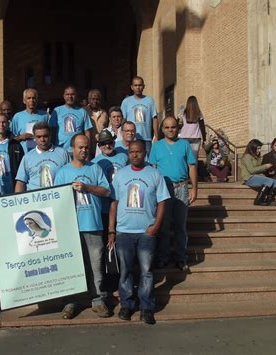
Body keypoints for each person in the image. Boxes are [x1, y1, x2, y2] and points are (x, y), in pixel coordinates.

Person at [109, 140, 169, 324]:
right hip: (124, 231)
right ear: (128, 153)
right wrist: (111, 230)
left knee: (146, 271)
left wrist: (156, 226)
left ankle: (146, 307)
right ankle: (126, 305)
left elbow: (162, 202)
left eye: (139, 152)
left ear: (145, 153)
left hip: (146, 233)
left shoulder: (155, 174)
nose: (135, 155)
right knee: (125, 271)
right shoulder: (120, 175)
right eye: (132, 152)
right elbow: (114, 202)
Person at [54, 134, 111, 319]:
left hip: (93, 224)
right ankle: (71, 301)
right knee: (72, 267)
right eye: (80, 147)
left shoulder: (95, 168)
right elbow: (56, 200)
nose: (84, 150)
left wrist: (87, 188)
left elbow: (106, 191)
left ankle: (98, 300)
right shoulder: (62, 172)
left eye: (87, 147)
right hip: (71, 227)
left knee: (96, 265)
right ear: (72, 148)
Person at [149, 116, 197, 271]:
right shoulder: (157, 146)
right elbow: (153, 169)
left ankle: (181, 258)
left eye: (173, 127)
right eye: (167, 127)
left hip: (182, 188)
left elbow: (192, 166)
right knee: (163, 225)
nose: (170, 130)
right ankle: (163, 257)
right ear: (162, 129)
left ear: (178, 128)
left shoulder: (185, 145)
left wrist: (194, 188)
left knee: (180, 226)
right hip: (163, 190)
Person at [15, 121, 70, 192]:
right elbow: (20, 182)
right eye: (39, 137)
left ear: (50, 135)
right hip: (36, 200)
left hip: (58, 198)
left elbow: (70, 176)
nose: (42, 140)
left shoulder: (63, 153)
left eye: (45, 136)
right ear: (34, 137)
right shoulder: (27, 157)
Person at [92, 130, 128, 233]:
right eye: (103, 143)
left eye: (110, 142)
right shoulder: (95, 163)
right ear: (99, 146)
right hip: (104, 208)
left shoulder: (124, 157)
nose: (107, 146)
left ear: (114, 142)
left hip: (123, 206)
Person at [120, 76, 158, 157]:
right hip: (132, 138)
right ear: (132, 87)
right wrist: (122, 135)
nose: (138, 87)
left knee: (148, 162)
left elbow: (154, 118)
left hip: (146, 138)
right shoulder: (126, 101)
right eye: (136, 85)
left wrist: (156, 136)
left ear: (143, 86)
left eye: (140, 85)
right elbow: (123, 120)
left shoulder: (150, 100)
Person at [49, 86, 93, 152]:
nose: (70, 96)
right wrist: (51, 148)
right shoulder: (57, 111)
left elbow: (87, 132)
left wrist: (87, 150)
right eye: (67, 94)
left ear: (76, 96)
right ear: (64, 96)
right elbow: (52, 131)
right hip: (60, 150)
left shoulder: (82, 111)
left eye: (72, 94)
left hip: (78, 150)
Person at [240, 139, 276, 206]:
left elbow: (258, 169)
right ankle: (258, 200)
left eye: (260, 148)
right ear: (253, 148)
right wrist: (265, 166)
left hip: (257, 176)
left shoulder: (257, 157)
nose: (259, 150)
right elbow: (251, 170)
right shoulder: (247, 157)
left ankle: (269, 200)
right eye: (258, 148)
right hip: (248, 178)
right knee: (268, 181)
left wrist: (268, 170)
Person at [11, 88, 49, 153]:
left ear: (37, 100)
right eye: (29, 98)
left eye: (34, 98)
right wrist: (21, 137)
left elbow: (50, 135)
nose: (31, 100)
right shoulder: (17, 116)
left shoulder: (45, 115)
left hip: (42, 153)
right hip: (23, 154)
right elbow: (12, 139)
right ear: (24, 101)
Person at [178, 96, 207, 160]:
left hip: (184, 138)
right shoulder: (199, 113)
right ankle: (194, 170)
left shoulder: (182, 113)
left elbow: (178, 124)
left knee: (184, 159)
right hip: (196, 138)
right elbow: (202, 127)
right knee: (194, 159)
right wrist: (204, 139)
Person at [85, 89, 108, 158]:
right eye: (93, 99)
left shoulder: (104, 113)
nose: (95, 101)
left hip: (101, 148)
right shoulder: (84, 112)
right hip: (88, 148)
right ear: (89, 99)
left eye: (97, 99)